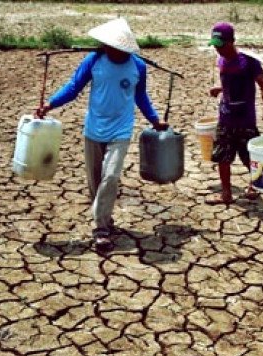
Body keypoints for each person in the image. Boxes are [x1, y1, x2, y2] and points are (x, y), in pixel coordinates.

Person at [34, 18, 168, 252]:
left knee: (111, 176)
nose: (107, 47)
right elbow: (74, 87)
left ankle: (100, 230)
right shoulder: (94, 60)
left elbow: (141, 97)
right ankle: (106, 219)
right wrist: (50, 104)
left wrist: (155, 120)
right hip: (94, 129)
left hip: (121, 129)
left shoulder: (138, 66)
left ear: (123, 46)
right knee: (95, 181)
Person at [205, 22, 263, 205]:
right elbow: (229, 83)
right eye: (215, 46)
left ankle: (253, 184)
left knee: (250, 156)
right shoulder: (221, 61)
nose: (218, 50)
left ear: (232, 42)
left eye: (221, 45)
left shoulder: (248, 61)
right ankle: (226, 193)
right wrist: (219, 89)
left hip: (245, 119)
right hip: (225, 116)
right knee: (223, 157)